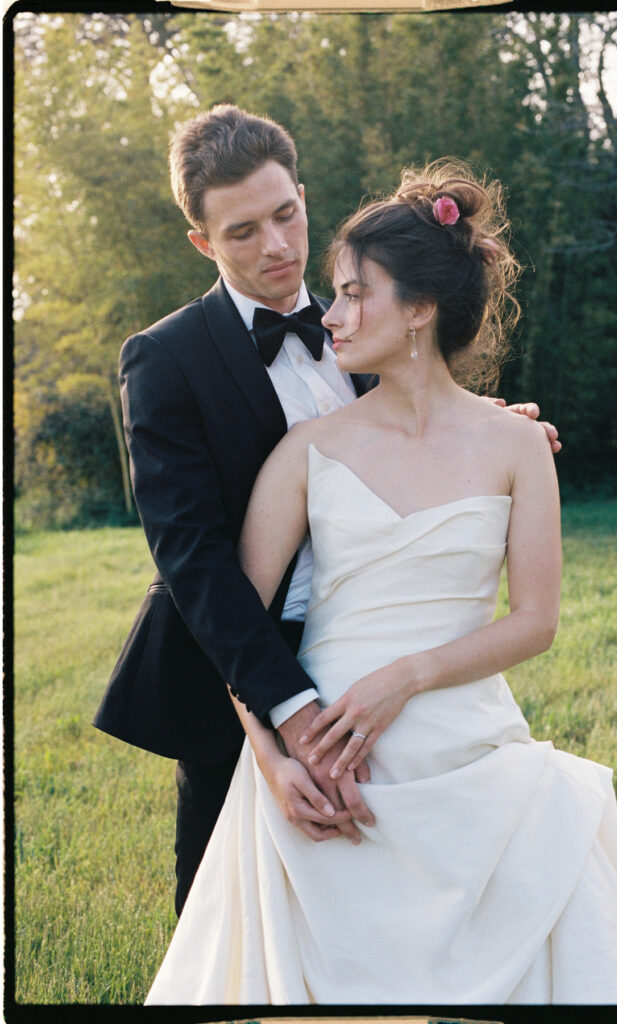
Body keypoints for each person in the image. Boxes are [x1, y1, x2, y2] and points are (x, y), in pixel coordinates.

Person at [145, 160, 617, 1006]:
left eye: (355, 294)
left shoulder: (513, 445)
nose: (331, 314)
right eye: (336, 293)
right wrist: (274, 756)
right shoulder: (305, 450)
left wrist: (410, 674)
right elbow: (229, 607)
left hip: (465, 730)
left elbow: (536, 620)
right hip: (321, 742)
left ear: (420, 309)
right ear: (205, 239)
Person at [93, 104, 560, 917]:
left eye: (286, 214)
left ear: (303, 195)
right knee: (230, 922)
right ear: (203, 242)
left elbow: (410, 428)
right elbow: (194, 561)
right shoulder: (165, 359)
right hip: (241, 661)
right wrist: (281, 734)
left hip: (385, 644)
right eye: (242, 233)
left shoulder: (360, 321)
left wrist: (497, 431)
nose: (276, 246)